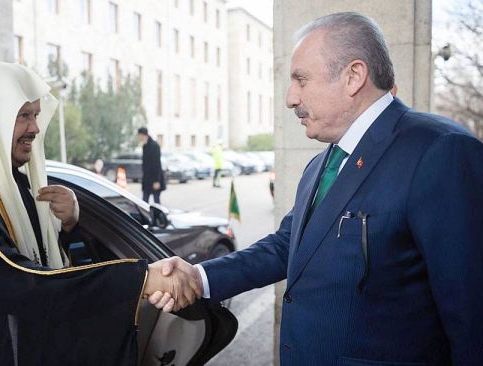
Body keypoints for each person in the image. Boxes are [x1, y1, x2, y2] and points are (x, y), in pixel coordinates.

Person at [150, 12, 483, 365]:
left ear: (353, 76)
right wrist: (199, 278)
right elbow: (286, 247)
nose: (291, 98)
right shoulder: (321, 165)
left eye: (301, 79)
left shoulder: (440, 150)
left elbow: (472, 315)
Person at [0, 62, 199, 366]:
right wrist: (141, 278)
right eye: (23, 115)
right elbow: (9, 278)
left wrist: (69, 225)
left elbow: (43, 265)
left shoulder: (8, 179)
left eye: (35, 115)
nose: (35, 128)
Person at [137, 127, 164, 203]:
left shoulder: (154, 146)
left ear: (142, 135)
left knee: (156, 202)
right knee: (144, 201)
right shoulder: (145, 146)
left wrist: (157, 180)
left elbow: (157, 164)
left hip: (154, 178)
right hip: (147, 179)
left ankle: (158, 215)